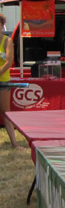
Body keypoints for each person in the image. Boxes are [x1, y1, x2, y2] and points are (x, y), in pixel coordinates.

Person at [0, 14, 20, 149]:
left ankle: (14, 142)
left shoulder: (7, 41)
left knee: (6, 112)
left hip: (3, 80)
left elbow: (9, 61)